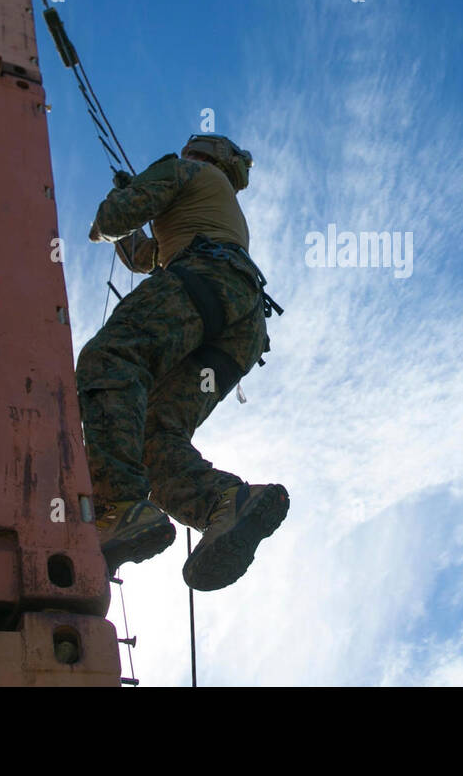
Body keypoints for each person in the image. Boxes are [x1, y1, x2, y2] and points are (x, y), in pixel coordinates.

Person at [76, 134, 287, 591]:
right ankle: (226, 502)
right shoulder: (217, 201)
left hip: (202, 284)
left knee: (111, 358)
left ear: (198, 152)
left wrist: (118, 203)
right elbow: (144, 257)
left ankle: (120, 506)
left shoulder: (184, 170)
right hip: (240, 328)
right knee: (155, 433)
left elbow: (113, 220)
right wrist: (132, 220)